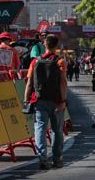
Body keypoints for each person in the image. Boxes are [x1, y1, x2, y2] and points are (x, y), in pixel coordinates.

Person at [26, 32, 67, 170]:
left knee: (40, 129)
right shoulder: (60, 61)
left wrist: (26, 99)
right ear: (56, 46)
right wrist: (63, 100)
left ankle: (42, 157)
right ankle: (57, 159)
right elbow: (63, 83)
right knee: (57, 130)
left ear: (45, 44)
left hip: (39, 100)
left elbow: (29, 82)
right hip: (56, 101)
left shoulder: (35, 61)